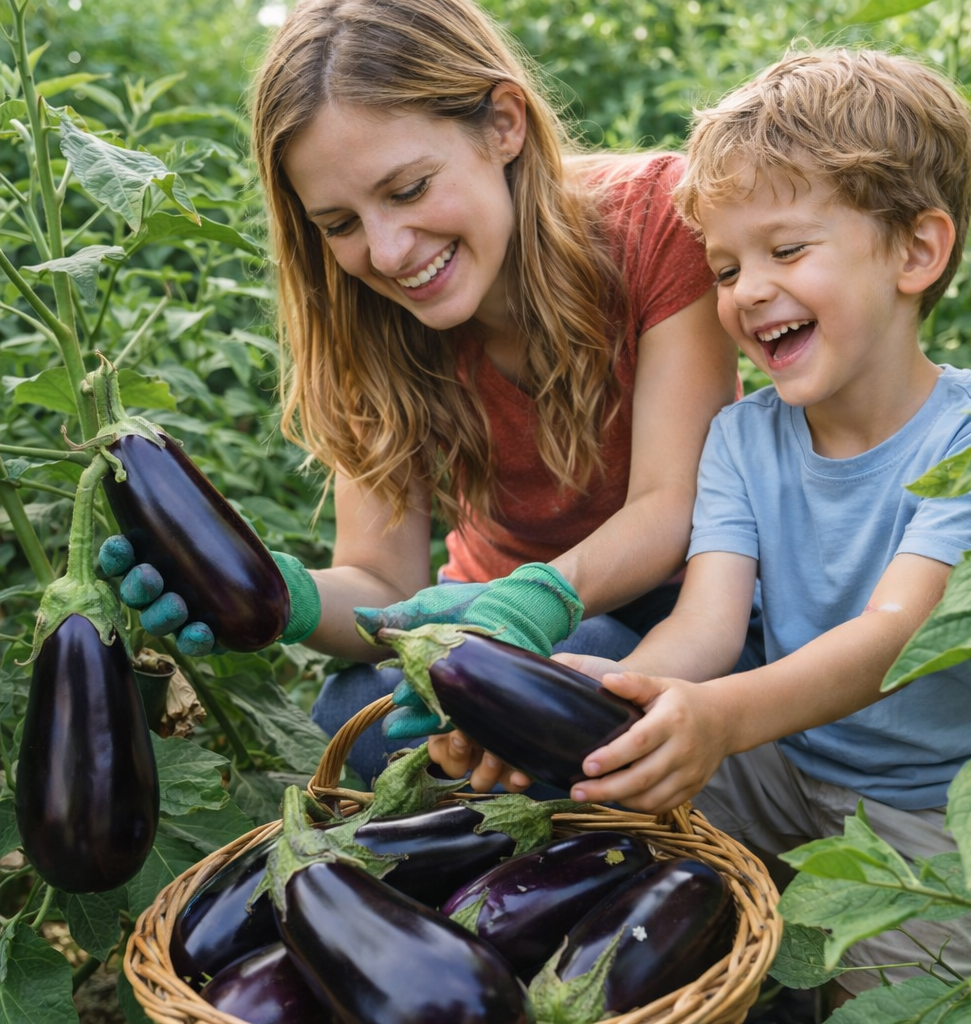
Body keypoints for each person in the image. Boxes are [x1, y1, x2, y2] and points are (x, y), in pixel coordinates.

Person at [100, 0, 740, 783]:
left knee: (588, 674)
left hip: (687, 604)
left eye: (407, 190)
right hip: (482, 618)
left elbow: (672, 506)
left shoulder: (651, 221)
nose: (387, 252)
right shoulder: (368, 319)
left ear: (504, 124)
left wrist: (527, 607)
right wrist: (272, 594)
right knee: (346, 720)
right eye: (339, 224)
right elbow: (382, 584)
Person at [511, 46, 971, 1000]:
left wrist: (719, 716)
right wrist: (623, 695)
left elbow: (893, 637)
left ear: (917, 251)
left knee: (913, 1000)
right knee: (606, 805)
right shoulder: (746, 438)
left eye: (786, 251)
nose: (746, 291)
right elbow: (707, 627)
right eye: (725, 266)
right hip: (779, 767)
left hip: (926, 807)